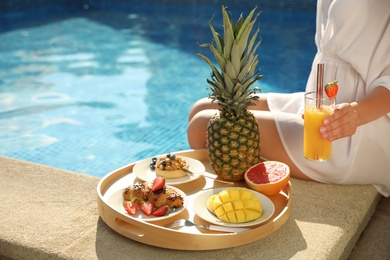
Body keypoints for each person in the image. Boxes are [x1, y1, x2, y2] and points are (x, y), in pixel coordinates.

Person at [187, 0, 390, 197]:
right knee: (202, 108)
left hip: (355, 128)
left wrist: (355, 114)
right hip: (316, 104)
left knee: (200, 127)